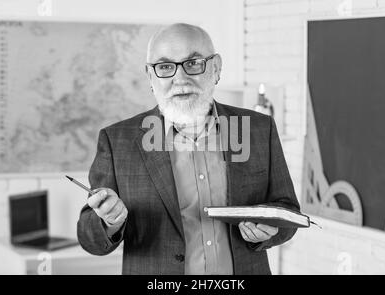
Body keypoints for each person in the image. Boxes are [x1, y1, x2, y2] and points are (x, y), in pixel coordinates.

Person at [77, 23, 300, 275]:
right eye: (164, 67)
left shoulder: (258, 129)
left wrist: (270, 230)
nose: (180, 79)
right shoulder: (117, 140)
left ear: (215, 68)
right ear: (150, 76)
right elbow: (90, 239)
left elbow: (288, 212)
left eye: (193, 63)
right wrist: (109, 222)